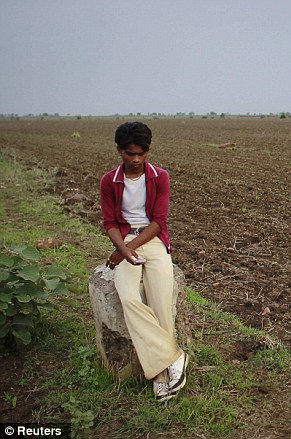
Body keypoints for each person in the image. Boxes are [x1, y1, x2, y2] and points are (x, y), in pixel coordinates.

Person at [100, 121, 188, 402]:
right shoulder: (109, 181)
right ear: (119, 151)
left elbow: (159, 222)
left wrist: (127, 250)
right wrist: (121, 248)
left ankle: (162, 375)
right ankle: (171, 363)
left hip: (152, 241)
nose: (136, 160)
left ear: (148, 151)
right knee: (128, 299)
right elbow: (110, 222)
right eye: (130, 154)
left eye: (142, 153)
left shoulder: (160, 177)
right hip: (125, 239)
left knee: (161, 300)